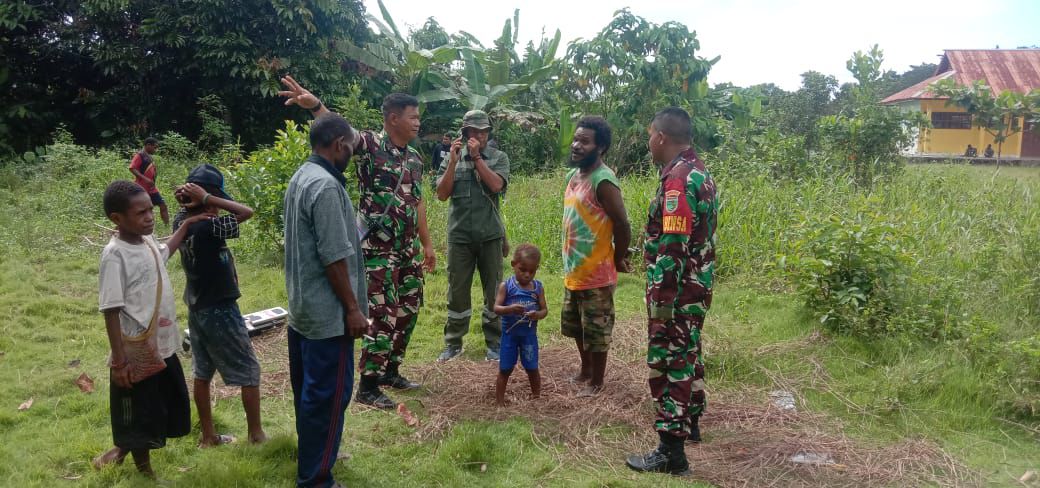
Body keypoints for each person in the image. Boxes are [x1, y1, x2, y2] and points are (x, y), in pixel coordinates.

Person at [280, 75, 435, 410]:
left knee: (407, 311)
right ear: (393, 118)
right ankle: (368, 385)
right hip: (377, 249)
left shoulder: (415, 159)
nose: (417, 122)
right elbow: (339, 133)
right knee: (383, 314)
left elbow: (417, 202)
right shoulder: (370, 145)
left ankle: (391, 371)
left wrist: (427, 244)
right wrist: (315, 105)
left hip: (406, 249)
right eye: (413, 116)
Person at [93, 180, 209, 476]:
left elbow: (163, 252)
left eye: (151, 210)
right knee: (140, 413)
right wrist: (120, 362)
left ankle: (122, 450)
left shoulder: (146, 243)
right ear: (117, 219)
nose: (149, 217)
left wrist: (186, 226)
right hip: (137, 352)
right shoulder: (115, 255)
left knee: (158, 405)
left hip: (163, 345)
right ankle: (145, 472)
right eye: (141, 213)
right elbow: (110, 310)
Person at [626, 107, 718, 476]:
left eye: (650, 135)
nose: (649, 142)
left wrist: (662, 306)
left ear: (661, 137)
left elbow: (674, 246)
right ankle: (691, 419)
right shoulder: (698, 171)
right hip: (695, 287)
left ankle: (671, 451)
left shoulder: (678, 180)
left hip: (677, 291)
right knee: (688, 354)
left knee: (671, 362)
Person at [282, 111, 368, 488]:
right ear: (338, 145)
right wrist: (352, 308)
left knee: (310, 394)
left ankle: (317, 455)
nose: (351, 152)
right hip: (328, 316)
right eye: (350, 146)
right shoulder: (327, 187)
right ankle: (316, 478)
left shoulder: (302, 176)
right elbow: (333, 255)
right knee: (328, 397)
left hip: (303, 311)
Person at [172, 164, 266, 448]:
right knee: (250, 370)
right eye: (214, 199)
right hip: (220, 308)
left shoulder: (181, 221)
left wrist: (198, 200)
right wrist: (207, 200)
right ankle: (256, 435)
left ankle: (209, 436)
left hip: (197, 307)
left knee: (202, 371)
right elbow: (246, 212)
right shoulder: (208, 225)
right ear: (205, 198)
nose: (217, 208)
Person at [560, 116, 631, 397]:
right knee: (576, 326)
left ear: (600, 147)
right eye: (576, 139)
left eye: (584, 141)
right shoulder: (572, 177)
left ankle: (597, 382)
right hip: (574, 269)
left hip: (597, 272)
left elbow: (623, 225)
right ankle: (585, 371)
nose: (576, 145)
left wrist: (617, 258)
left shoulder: (604, 180)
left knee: (597, 332)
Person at [435, 110, 511, 361]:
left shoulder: (498, 157)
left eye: (484, 131)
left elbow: (496, 186)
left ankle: (495, 343)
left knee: (494, 291)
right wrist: (455, 161)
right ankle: (453, 344)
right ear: (465, 133)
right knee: (457, 292)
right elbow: (442, 194)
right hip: (460, 237)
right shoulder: (451, 159)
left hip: (490, 235)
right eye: (475, 131)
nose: (481, 135)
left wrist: (477, 158)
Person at [493, 244, 548, 406]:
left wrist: (536, 314)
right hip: (510, 336)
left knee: (532, 367)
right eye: (522, 270)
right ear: (513, 264)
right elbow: (496, 308)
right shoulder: (507, 286)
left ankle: (536, 397)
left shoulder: (538, 288)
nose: (526, 275)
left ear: (537, 269)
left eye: (532, 271)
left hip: (529, 337)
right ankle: (499, 401)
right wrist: (510, 309)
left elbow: (544, 310)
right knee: (505, 368)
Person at [128, 137, 170, 227]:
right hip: (141, 189)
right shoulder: (139, 155)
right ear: (148, 145)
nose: (156, 149)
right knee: (138, 209)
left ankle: (167, 227)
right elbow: (132, 168)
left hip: (152, 189)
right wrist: (145, 179)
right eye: (154, 147)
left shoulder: (148, 156)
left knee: (163, 205)